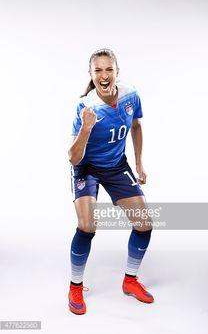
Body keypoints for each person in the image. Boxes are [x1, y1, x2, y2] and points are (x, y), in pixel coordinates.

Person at [68, 48, 154, 315]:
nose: (104, 76)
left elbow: (136, 126)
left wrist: (139, 162)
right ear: (91, 75)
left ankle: (129, 281)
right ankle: (75, 286)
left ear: (117, 71)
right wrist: (85, 129)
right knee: (87, 226)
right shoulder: (86, 106)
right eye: (98, 71)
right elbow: (72, 158)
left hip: (117, 166)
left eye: (109, 69)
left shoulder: (131, 94)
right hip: (87, 168)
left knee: (144, 223)